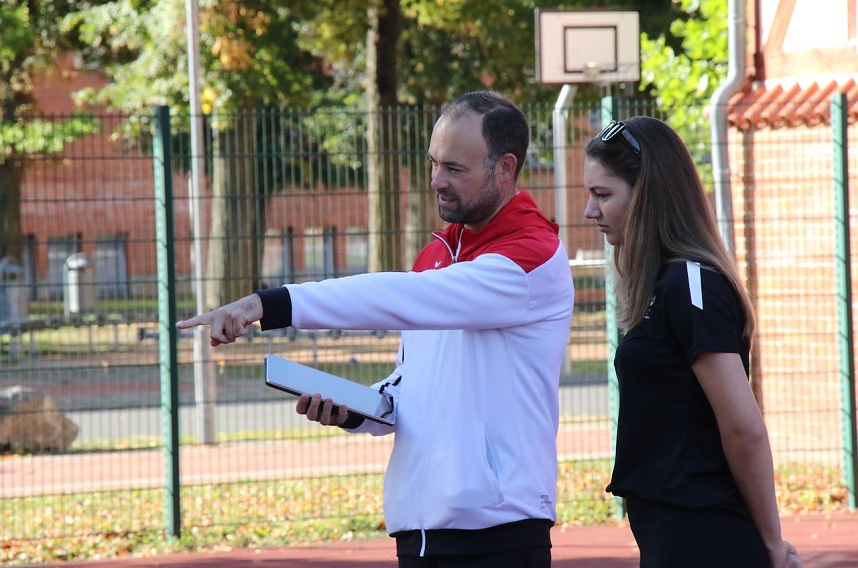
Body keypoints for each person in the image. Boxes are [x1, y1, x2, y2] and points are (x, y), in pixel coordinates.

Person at [178, 90, 574, 568]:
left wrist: (269, 303)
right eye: (433, 163)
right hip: (420, 531)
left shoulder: (530, 256)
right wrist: (355, 411)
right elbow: (409, 390)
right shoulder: (437, 256)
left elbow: (397, 298)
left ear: (505, 168)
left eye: (454, 168)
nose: (436, 181)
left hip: (499, 534)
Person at [583, 116, 802, 568]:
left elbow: (744, 427)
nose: (591, 211)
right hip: (672, 536)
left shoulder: (691, 283)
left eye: (603, 195)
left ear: (648, 196)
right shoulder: (663, 285)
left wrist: (773, 544)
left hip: (704, 536)